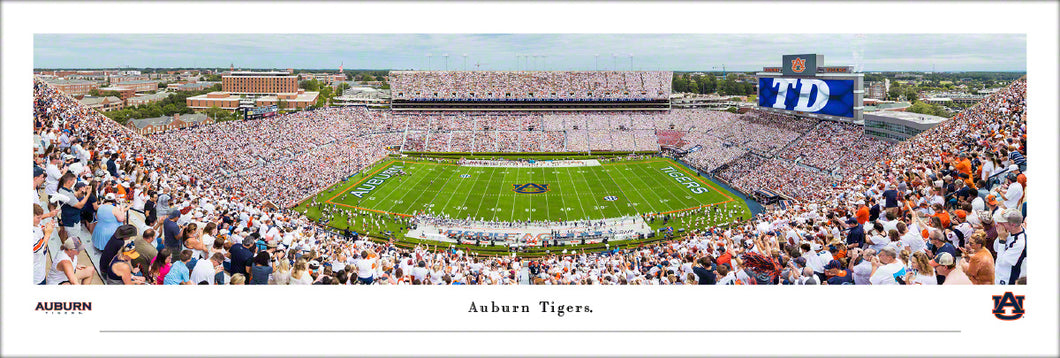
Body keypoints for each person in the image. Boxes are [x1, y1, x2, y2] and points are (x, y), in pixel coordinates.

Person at [993, 209, 1026, 285]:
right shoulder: (1008, 232)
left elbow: (1001, 262)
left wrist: (1002, 240)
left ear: (1013, 224)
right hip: (999, 276)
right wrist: (1000, 237)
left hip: (1008, 280)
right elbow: (996, 248)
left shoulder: (1020, 243)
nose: (998, 224)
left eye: (1002, 222)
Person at [34, 204, 57, 285]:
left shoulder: (36, 225)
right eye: (38, 218)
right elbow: (39, 249)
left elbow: (41, 227)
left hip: (40, 271)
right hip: (35, 277)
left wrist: (48, 227)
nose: (40, 220)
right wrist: (48, 233)